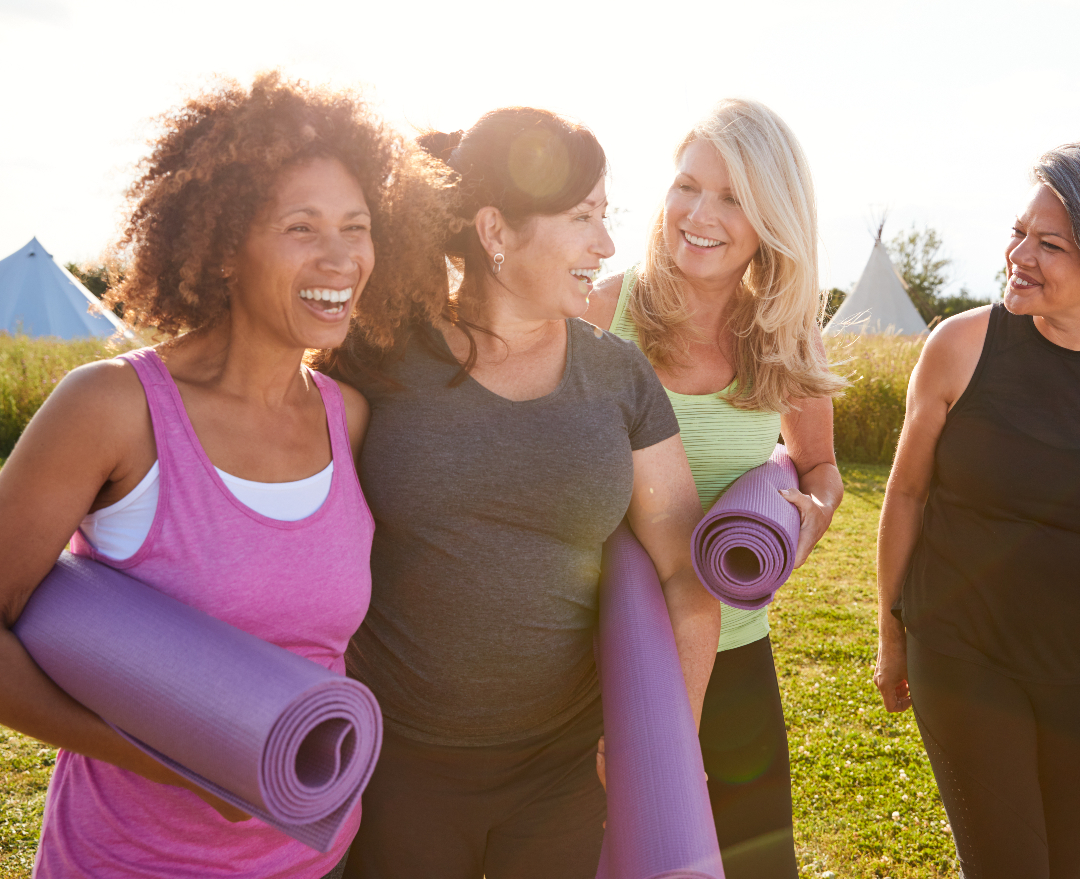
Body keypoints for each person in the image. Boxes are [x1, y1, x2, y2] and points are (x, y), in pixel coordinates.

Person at [0, 73, 452, 878]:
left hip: (315, 858)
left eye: (357, 226)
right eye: (301, 226)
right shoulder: (112, 408)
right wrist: (178, 755)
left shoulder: (348, 418)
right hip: (129, 860)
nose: (341, 256)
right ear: (224, 249)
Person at [328, 107, 722, 879]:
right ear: (494, 230)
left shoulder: (616, 375)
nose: (606, 245)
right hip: (397, 762)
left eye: (605, 216)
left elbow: (685, 573)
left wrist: (666, 743)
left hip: (563, 773)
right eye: (582, 217)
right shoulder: (374, 358)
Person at [874, 136, 1080, 878]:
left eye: (1049, 243)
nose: (1020, 254)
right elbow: (907, 492)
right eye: (1019, 231)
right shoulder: (958, 346)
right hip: (960, 648)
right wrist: (891, 635)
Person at [585, 98, 847, 879]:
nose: (699, 214)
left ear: (771, 216)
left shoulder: (785, 332)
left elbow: (820, 467)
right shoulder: (605, 310)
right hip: (599, 656)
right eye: (687, 185)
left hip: (734, 653)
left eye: (732, 197)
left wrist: (812, 516)